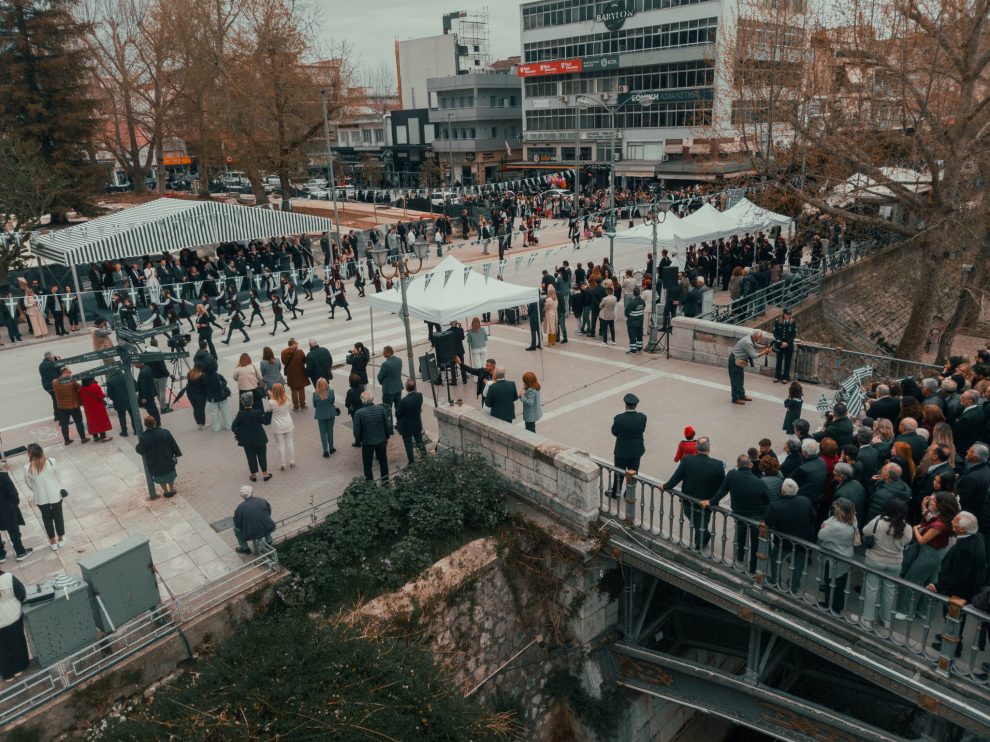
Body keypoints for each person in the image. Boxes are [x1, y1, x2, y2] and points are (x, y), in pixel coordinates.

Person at [927, 512, 988, 655]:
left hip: (959, 593)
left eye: (955, 521)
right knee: (954, 618)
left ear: (962, 529)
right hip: (965, 590)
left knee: (953, 617)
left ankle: (953, 648)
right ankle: (950, 637)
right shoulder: (976, 538)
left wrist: (939, 586)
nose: (952, 521)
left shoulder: (967, 548)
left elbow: (959, 574)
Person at [702, 454, 768, 573]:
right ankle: (753, 568)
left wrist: (711, 502)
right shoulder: (760, 482)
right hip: (756, 517)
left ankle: (740, 556)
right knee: (755, 543)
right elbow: (767, 501)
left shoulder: (732, 474)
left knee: (740, 535)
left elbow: (722, 491)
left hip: (739, 513)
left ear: (737, 465)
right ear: (751, 465)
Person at [856, 499, 913, 628]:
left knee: (871, 589)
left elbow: (865, 531)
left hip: (875, 559)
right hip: (895, 563)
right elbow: (908, 541)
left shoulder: (878, 522)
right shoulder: (907, 528)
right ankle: (887, 619)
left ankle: (867, 619)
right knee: (890, 591)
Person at [765, 478, 817, 592]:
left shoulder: (776, 506)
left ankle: (775, 580)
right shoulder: (806, 501)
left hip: (784, 541)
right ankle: (794, 586)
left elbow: (768, 523)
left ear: (782, 491)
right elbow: (813, 516)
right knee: (799, 563)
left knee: (775, 558)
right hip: (803, 540)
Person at [23, 444, 66, 551]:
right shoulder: (51, 461)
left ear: (30, 454)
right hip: (55, 495)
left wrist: (37, 489)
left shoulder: (27, 468)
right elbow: (58, 476)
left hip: (40, 497)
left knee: (47, 519)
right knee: (58, 517)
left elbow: (29, 484)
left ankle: (53, 543)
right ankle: (60, 539)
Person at [817, 497, 858, 612]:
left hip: (834, 557)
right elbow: (829, 521)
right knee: (841, 582)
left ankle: (830, 605)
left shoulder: (836, 527)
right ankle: (838, 605)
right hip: (846, 554)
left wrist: (825, 525)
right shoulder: (853, 519)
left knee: (831, 582)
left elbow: (821, 534)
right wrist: (827, 524)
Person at [610, 393, 648, 497]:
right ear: (636, 405)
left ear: (625, 405)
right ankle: (629, 493)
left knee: (619, 473)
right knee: (633, 473)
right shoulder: (642, 417)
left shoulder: (619, 418)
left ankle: (616, 492)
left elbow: (614, 432)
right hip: (636, 450)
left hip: (622, 451)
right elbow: (642, 430)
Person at [231, 392, 273, 482]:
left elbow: (233, 426)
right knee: (262, 456)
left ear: (243, 403)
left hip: (247, 440)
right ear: (252, 402)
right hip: (260, 439)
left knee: (250, 457)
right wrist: (269, 413)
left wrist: (240, 434)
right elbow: (266, 421)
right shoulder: (257, 412)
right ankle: (265, 474)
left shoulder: (240, 414)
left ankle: (253, 475)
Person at [353, 391, 393, 481]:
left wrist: (360, 440)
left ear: (362, 401)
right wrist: (387, 437)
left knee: (367, 465)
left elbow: (356, 432)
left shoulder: (358, 413)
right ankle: (385, 482)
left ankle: (370, 485)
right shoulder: (381, 409)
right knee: (383, 462)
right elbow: (388, 425)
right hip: (381, 441)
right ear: (372, 399)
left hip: (367, 443)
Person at [0, 567, 29, 680]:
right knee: (17, 642)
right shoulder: (8, 578)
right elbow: (21, 594)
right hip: (13, 616)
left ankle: (7, 674)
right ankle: (19, 668)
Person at [728, 331, 771, 405]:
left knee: (740, 379)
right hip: (735, 361)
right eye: (759, 337)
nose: (760, 339)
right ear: (755, 336)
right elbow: (754, 356)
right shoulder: (747, 342)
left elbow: (755, 345)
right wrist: (765, 351)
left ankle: (741, 395)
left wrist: (764, 347)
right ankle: (735, 398)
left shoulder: (751, 338)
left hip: (739, 361)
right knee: (735, 381)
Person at [0, 464, 32, 562]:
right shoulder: (3, 476)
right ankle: (20, 552)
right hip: (6, 509)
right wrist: (15, 504)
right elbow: (13, 494)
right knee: (13, 531)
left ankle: (1, 555)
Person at [232, 485, 276, 555]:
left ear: (241, 496)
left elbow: (237, 523)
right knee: (266, 521)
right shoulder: (262, 500)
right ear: (252, 492)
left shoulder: (240, 508)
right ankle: (269, 540)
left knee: (236, 529)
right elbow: (269, 512)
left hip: (251, 533)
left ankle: (245, 548)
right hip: (268, 527)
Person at [53, 367, 90, 445]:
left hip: (61, 407)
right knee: (78, 422)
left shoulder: (54, 382)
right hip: (74, 405)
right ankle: (83, 438)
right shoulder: (72, 382)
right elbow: (81, 388)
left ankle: (67, 440)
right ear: (66, 373)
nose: (70, 374)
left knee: (64, 424)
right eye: (69, 372)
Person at [396, 379, 426, 464]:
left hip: (406, 426)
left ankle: (411, 461)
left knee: (408, 444)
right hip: (417, 423)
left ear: (406, 388)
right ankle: (424, 457)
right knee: (419, 441)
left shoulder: (404, 401)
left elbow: (398, 414)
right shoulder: (419, 396)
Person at [268, 383, 295, 470]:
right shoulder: (288, 398)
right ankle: (292, 461)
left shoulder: (271, 402)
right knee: (290, 442)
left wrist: (271, 396)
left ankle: (283, 464)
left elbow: (269, 409)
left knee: (280, 445)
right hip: (288, 423)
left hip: (277, 425)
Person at [79, 377, 113, 442]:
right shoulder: (95, 386)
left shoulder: (81, 388)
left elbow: (81, 398)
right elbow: (101, 395)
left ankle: (95, 437)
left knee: (92, 422)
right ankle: (103, 437)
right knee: (100, 421)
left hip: (88, 408)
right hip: (98, 407)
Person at [281, 338, 309, 411]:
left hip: (290, 375)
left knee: (293, 391)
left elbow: (283, 362)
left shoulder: (283, 352)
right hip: (300, 373)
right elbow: (304, 361)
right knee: (301, 389)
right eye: (296, 343)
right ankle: (302, 405)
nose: (297, 344)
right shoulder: (300, 352)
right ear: (293, 344)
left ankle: (296, 407)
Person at [312, 377, 337, 457]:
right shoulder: (331, 392)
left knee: (323, 432)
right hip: (330, 414)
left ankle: (325, 451)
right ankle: (331, 448)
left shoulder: (315, 394)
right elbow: (332, 401)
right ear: (326, 384)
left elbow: (315, 405)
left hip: (321, 415)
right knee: (330, 431)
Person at [378, 345, 403, 422]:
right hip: (398, 388)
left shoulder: (386, 364)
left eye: (384, 352)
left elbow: (380, 377)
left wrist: (382, 383)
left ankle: (389, 425)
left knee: (387, 409)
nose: (383, 354)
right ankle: (399, 423)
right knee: (398, 408)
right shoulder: (399, 360)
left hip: (389, 390)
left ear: (388, 353)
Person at [772, 309, 797, 382]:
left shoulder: (793, 322)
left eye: (789, 314)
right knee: (779, 361)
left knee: (787, 361)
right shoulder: (778, 321)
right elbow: (775, 333)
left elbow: (794, 334)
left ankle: (785, 377)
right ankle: (777, 376)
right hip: (779, 344)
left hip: (788, 345)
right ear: (783, 314)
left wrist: (787, 343)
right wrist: (781, 342)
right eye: (787, 314)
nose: (788, 316)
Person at [625, 286, 646, 354]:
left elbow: (626, 313)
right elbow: (643, 307)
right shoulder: (642, 301)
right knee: (639, 335)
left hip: (632, 322)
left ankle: (633, 349)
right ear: (639, 293)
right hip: (640, 321)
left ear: (633, 294)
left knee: (632, 335)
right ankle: (639, 347)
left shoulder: (632, 302)